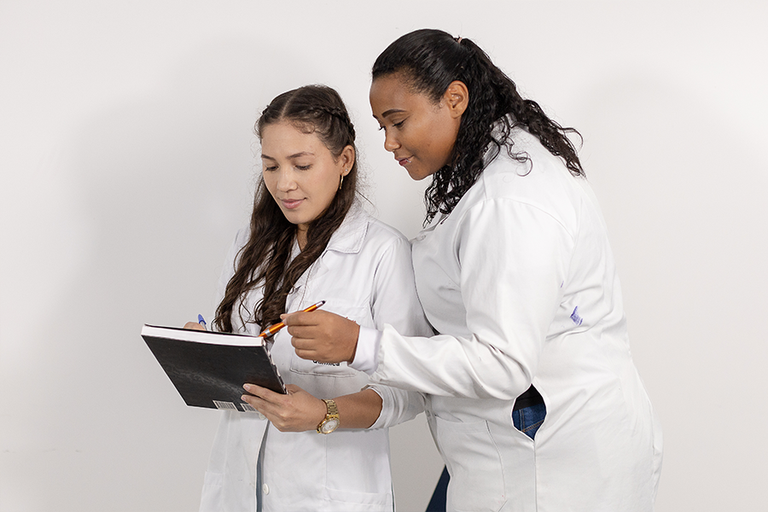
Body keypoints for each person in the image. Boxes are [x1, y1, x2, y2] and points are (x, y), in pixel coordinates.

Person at [283, 29, 663, 511]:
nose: (389, 142)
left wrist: (362, 345)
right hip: (505, 442)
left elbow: (503, 363)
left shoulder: (510, 199)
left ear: (455, 99)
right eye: (382, 127)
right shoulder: (488, 170)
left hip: (545, 456)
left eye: (398, 122)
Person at [191, 84, 432, 512]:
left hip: (330, 494)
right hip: (239, 488)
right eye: (270, 166)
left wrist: (323, 413)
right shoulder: (249, 245)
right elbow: (236, 355)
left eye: (302, 165)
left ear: (344, 161)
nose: (284, 183)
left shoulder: (382, 252)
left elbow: (410, 392)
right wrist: (204, 351)